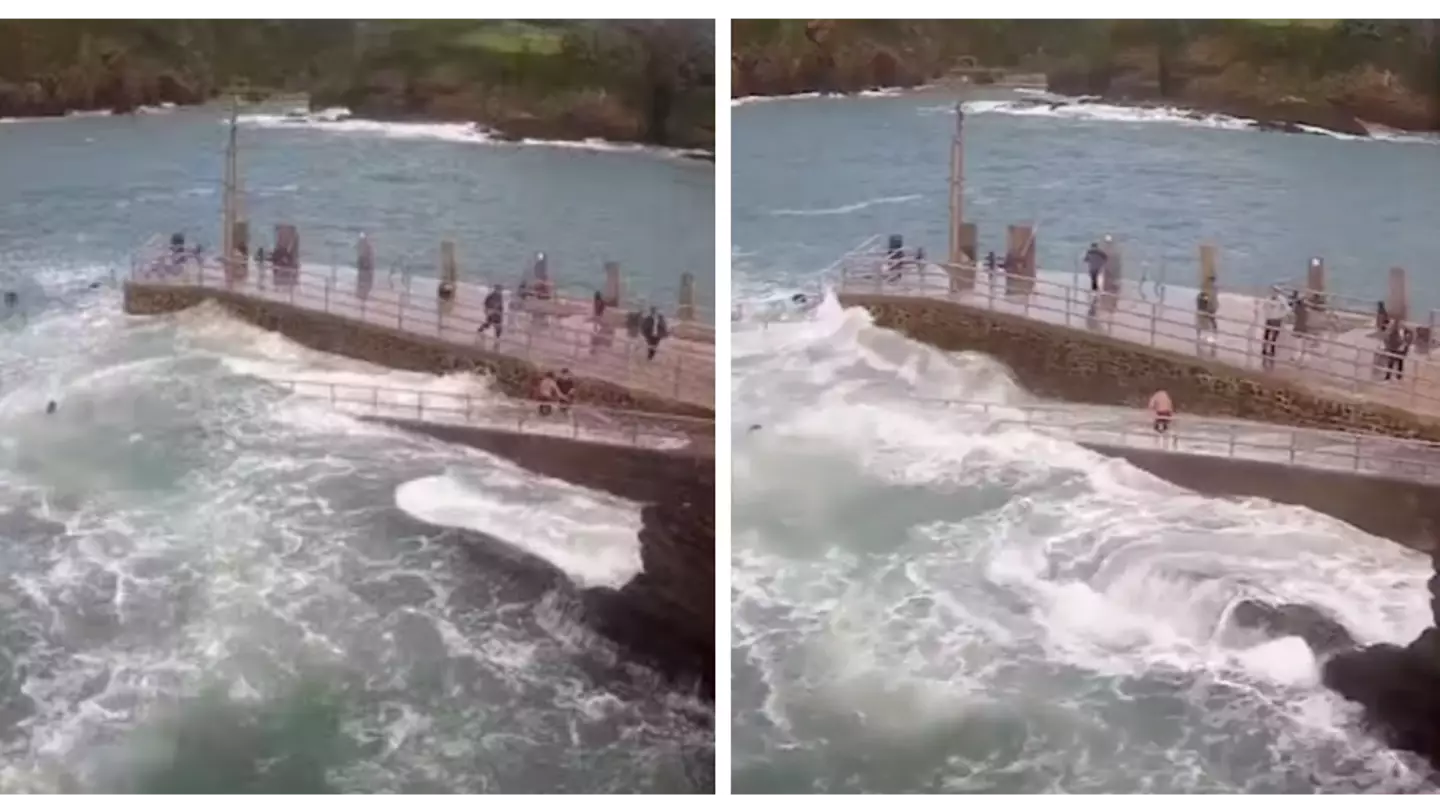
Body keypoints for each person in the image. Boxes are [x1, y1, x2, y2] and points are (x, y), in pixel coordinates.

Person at [1261, 290, 1289, 370]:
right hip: (1269, 319)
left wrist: (1281, 316)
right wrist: (1267, 315)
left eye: (1276, 292)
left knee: (1274, 337)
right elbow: (1264, 307)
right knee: (1266, 335)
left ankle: (1272, 350)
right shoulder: (1268, 299)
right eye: (1273, 292)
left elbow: (1286, 308)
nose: (1274, 293)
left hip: (1277, 320)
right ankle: (1264, 349)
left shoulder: (1282, 300)